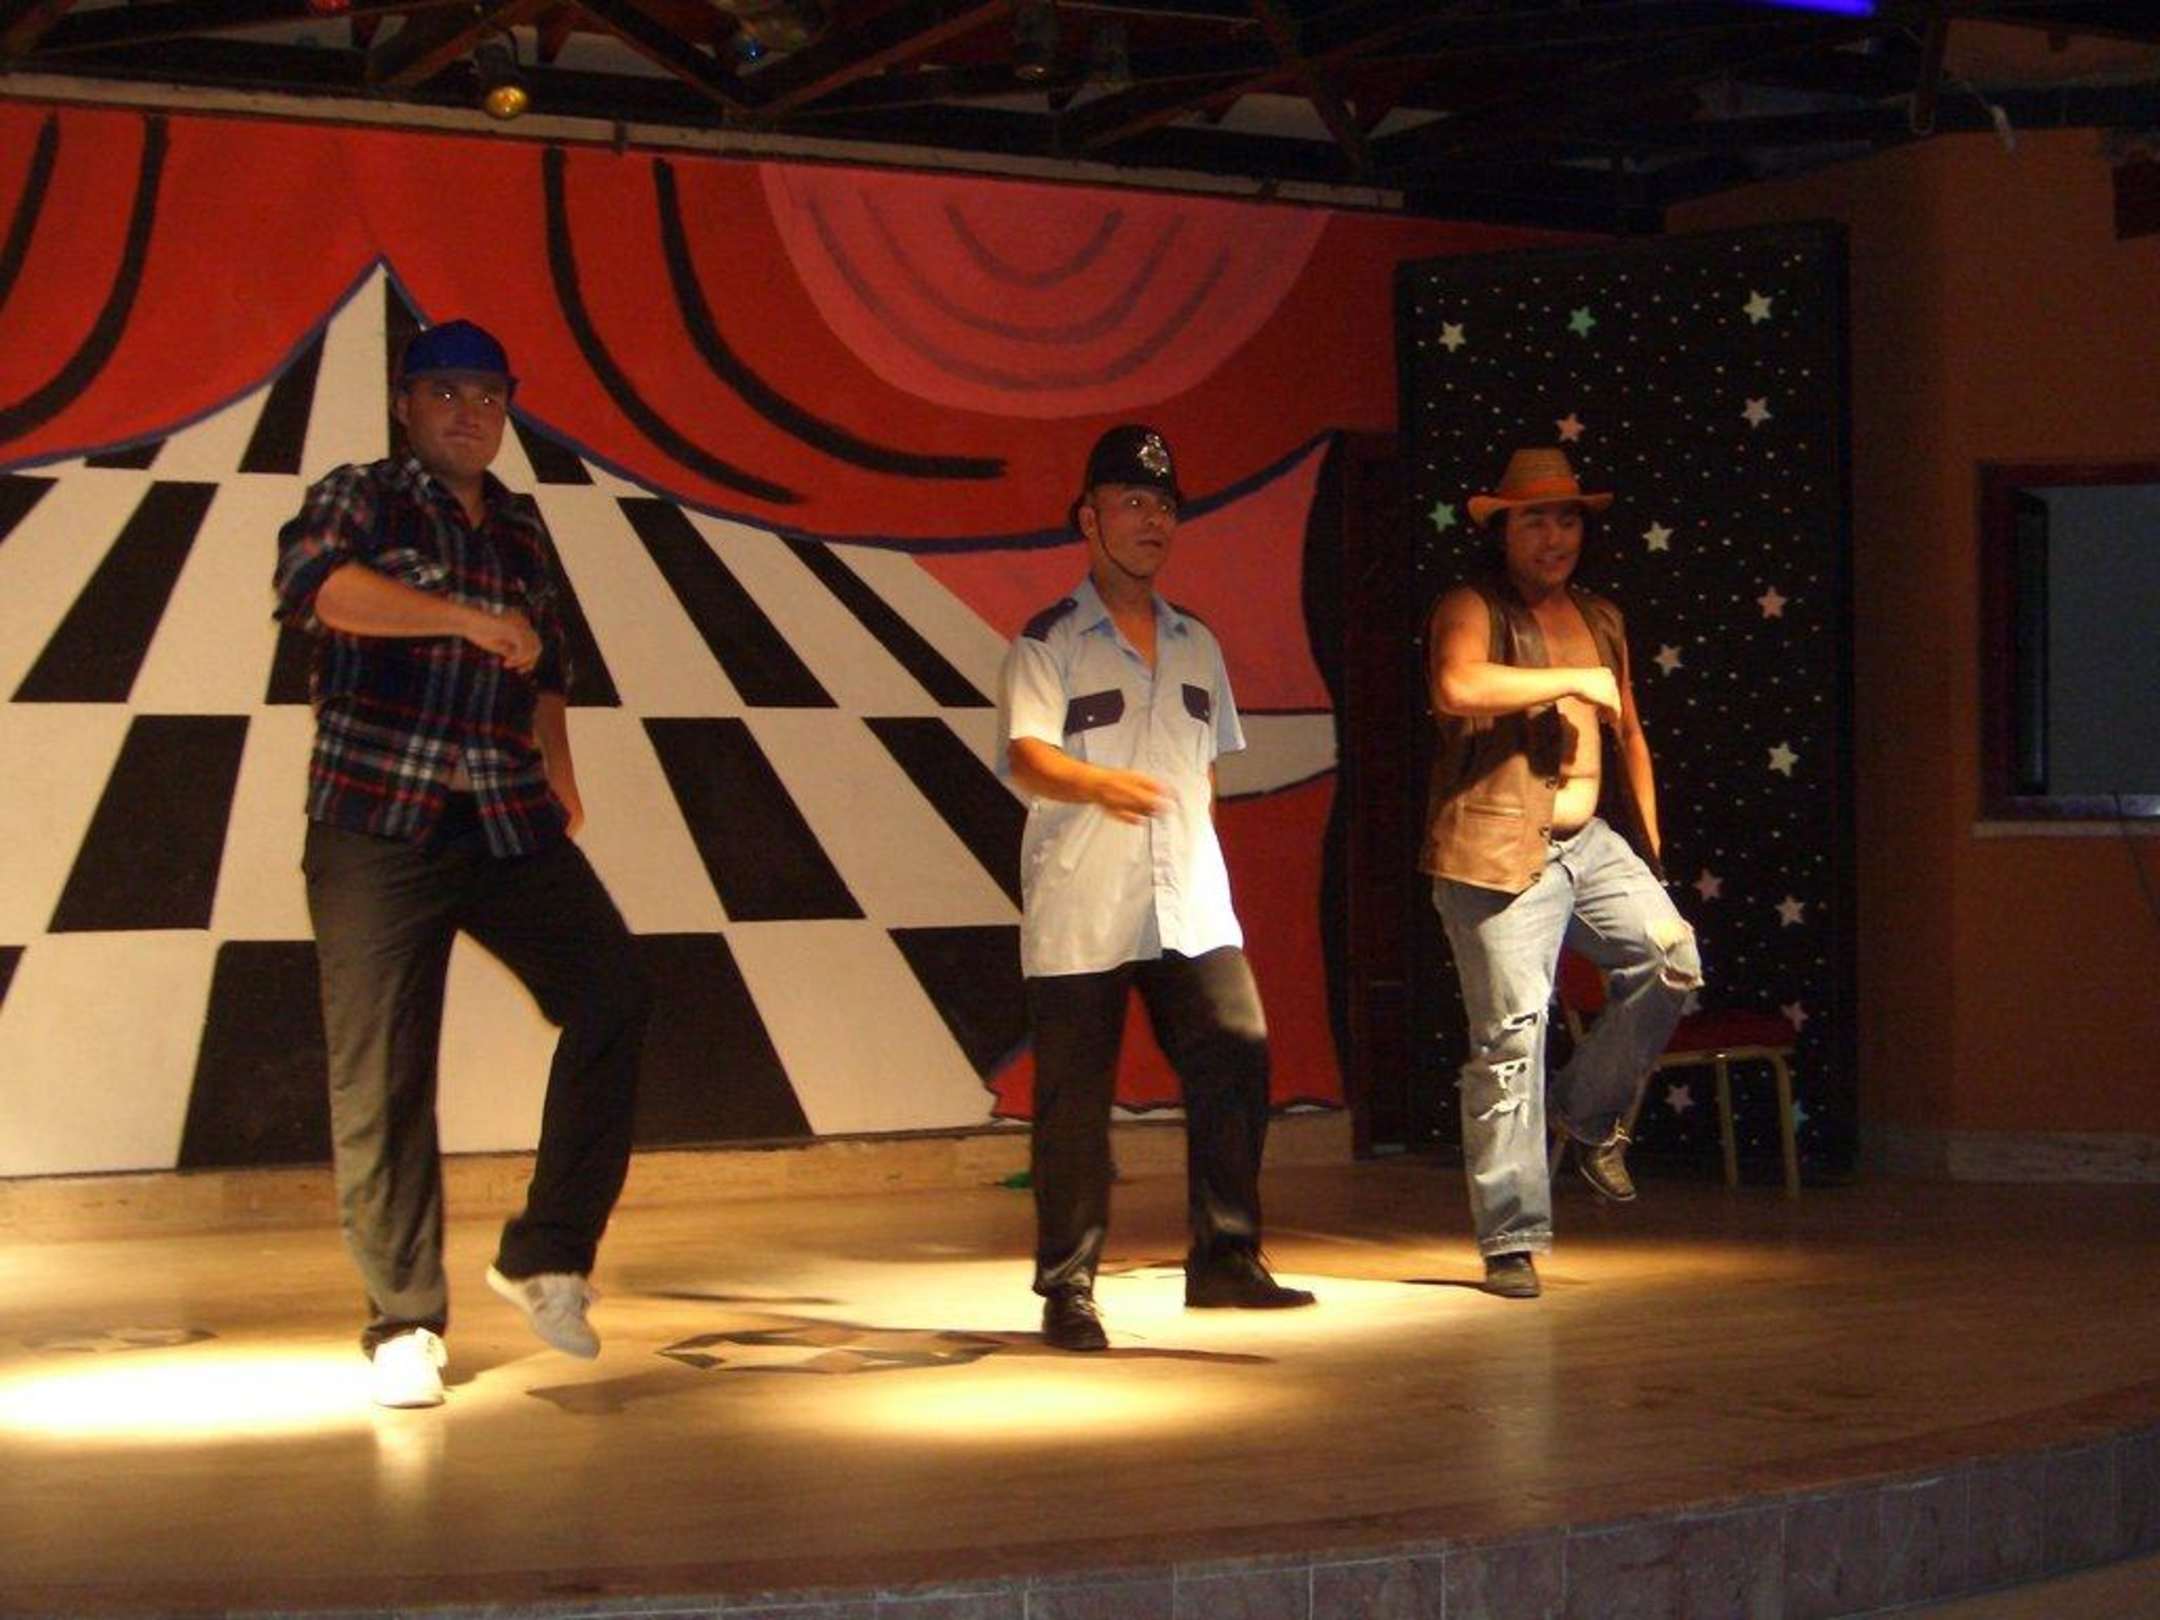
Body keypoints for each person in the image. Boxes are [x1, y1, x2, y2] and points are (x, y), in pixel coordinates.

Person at [273, 319, 651, 1406]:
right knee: (382, 1069)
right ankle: (402, 1322)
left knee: (616, 989)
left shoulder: (521, 523)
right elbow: (320, 591)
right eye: (445, 393)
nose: (469, 413)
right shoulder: (362, 495)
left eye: (489, 397)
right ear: (406, 405)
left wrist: (559, 769)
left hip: (501, 812)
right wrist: (463, 619)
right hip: (376, 818)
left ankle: (547, 1254)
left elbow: (549, 664)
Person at [997, 424, 1315, 1352]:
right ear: (1088, 519)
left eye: (1166, 506)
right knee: (1073, 1103)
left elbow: (1207, 767)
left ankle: (1224, 1259)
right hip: (1084, 905)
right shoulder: (1049, 641)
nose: (1153, 521)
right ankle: (1069, 1289)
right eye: (1133, 503)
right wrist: (1101, 785)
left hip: (1189, 902)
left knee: (1237, 1049)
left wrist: (1186, 834)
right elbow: (1027, 756)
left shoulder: (1196, 642)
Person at [1423, 446, 1701, 1299]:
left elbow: (1631, 733)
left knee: (1671, 959)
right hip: (1498, 847)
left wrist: (1652, 852)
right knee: (1510, 1040)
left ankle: (1582, 1115)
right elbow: (1457, 685)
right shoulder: (1473, 606)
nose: (1555, 536)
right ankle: (1510, 1238)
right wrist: (1569, 677)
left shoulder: (1602, 617)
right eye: (1536, 519)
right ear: (1504, 528)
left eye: (1568, 518)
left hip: (1590, 842)